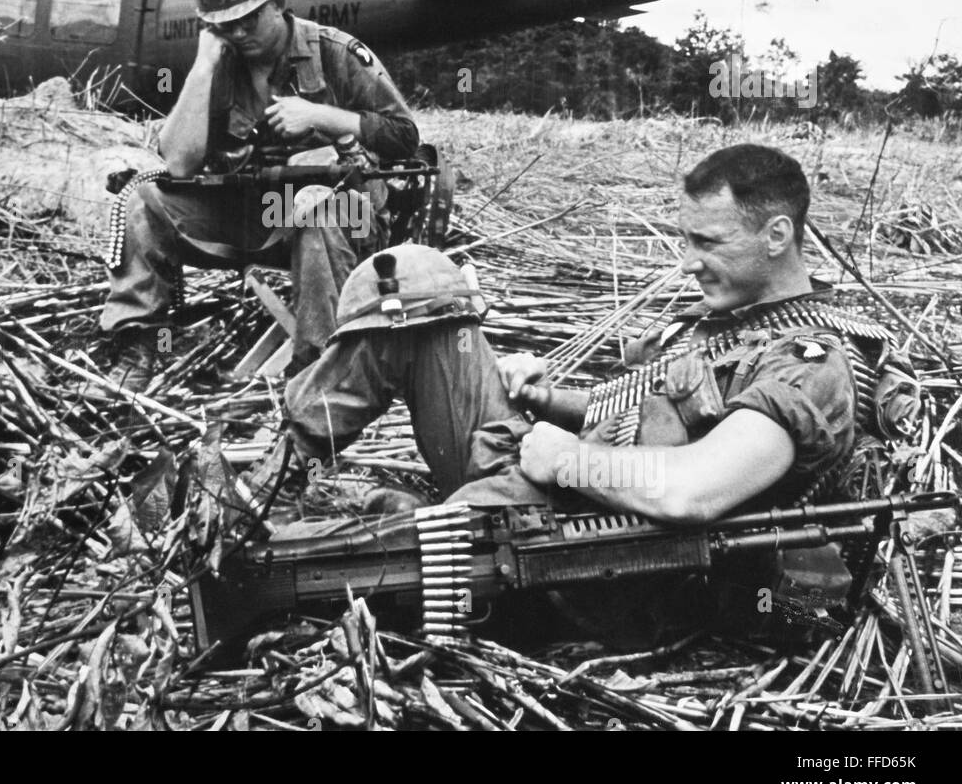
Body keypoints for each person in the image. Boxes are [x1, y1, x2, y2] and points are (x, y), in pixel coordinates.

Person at [267, 144, 917, 640]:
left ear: (777, 236)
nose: (688, 259)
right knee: (416, 283)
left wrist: (568, 459)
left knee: (379, 557)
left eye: (708, 242)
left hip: (598, 550)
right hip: (551, 474)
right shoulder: (727, 318)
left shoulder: (811, 365)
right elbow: (634, 405)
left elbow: (697, 489)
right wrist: (550, 396)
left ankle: (281, 555)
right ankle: (271, 480)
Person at [100, 0, 419, 392]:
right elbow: (181, 164)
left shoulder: (335, 53)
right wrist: (204, 65)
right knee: (145, 198)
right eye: (226, 24)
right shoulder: (219, 62)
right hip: (251, 214)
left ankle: (317, 370)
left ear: (278, 2)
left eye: (249, 19)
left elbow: (404, 137)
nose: (240, 33)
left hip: (344, 217)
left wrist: (322, 117)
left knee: (318, 210)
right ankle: (136, 345)